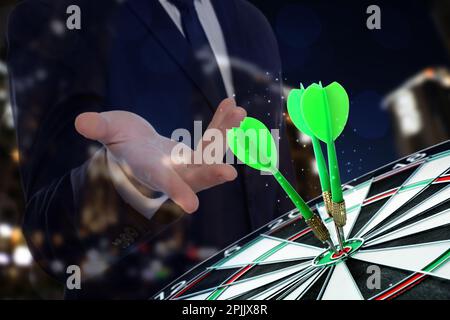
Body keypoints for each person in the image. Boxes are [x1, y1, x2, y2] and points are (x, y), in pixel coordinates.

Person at [7, 0, 295, 298]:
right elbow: (49, 241)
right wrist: (126, 183)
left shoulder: (251, 22)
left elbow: (277, 186)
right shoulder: (59, 17)